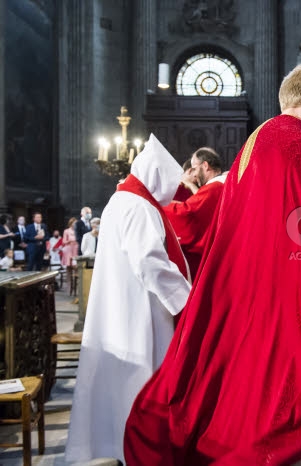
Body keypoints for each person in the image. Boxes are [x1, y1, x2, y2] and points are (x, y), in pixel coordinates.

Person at [124, 63, 301, 465]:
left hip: (245, 292)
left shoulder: (258, 137)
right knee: (280, 418)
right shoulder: (297, 141)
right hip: (284, 305)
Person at [65, 134, 191, 464]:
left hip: (124, 308)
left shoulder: (122, 201)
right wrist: (187, 302)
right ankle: (133, 449)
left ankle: (111, 447)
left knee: (115, 386)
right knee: (136, 385)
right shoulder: (138, 207)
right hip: (139, 311)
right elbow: (149, 261)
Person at [164, 147, 227, 276]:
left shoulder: (214, 188)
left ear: (205, 166)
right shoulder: (223, 184)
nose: (193, 174)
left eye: (194, 168)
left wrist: (159, 206)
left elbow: (188, 213)